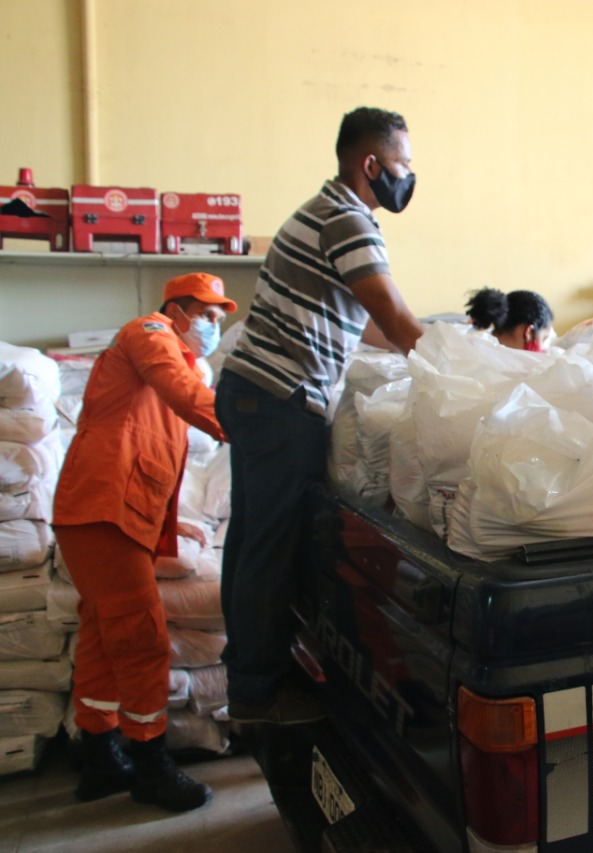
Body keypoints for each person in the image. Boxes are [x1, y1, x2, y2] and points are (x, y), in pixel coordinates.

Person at [216, 106, 426, 725]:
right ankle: (259, 690)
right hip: (281, 400)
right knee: (271, 549)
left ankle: (248, 680)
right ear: (371, 163)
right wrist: (464, 366)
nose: (408, 176)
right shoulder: (348, 220)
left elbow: (376, 332)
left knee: (253, 540)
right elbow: (392, 315)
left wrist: (447, 343)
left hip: (255, 391)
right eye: (403, 164)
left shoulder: (324, 211)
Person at [53, 272, 236, 812]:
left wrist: (167, 522)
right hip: (102, 510)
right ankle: (151, 765)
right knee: (142, 639)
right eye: (204, 314)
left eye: (217, 315)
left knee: (103, 635)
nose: (212, 324)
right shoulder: (150, 333)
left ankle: (101, 757)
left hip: (109, 511)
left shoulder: (175, 360)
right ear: (176, 309)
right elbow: (184, 398)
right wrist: (246, 428)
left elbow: (145, 448)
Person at [465, 287, 555, 351]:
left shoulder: (468, 348)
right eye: (543, 339)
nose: (542, 349)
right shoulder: (526, 372)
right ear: (528, 332)